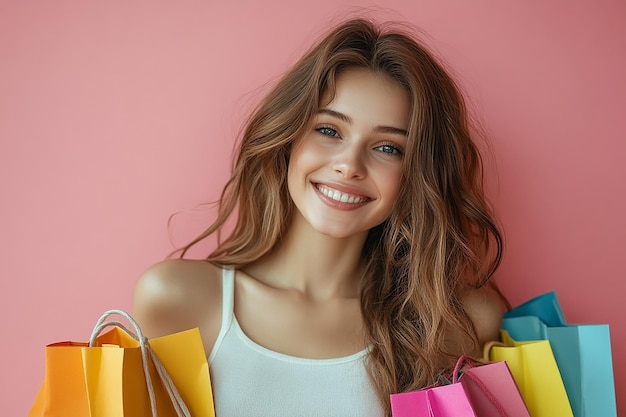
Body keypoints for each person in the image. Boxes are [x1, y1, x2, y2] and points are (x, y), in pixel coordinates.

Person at [133, 17, 507, 417]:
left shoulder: (454, 323)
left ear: (418, 174)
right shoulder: (177, 299)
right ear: (288, 139)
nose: (349, 165)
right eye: (329, 130)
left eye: (388, 148)